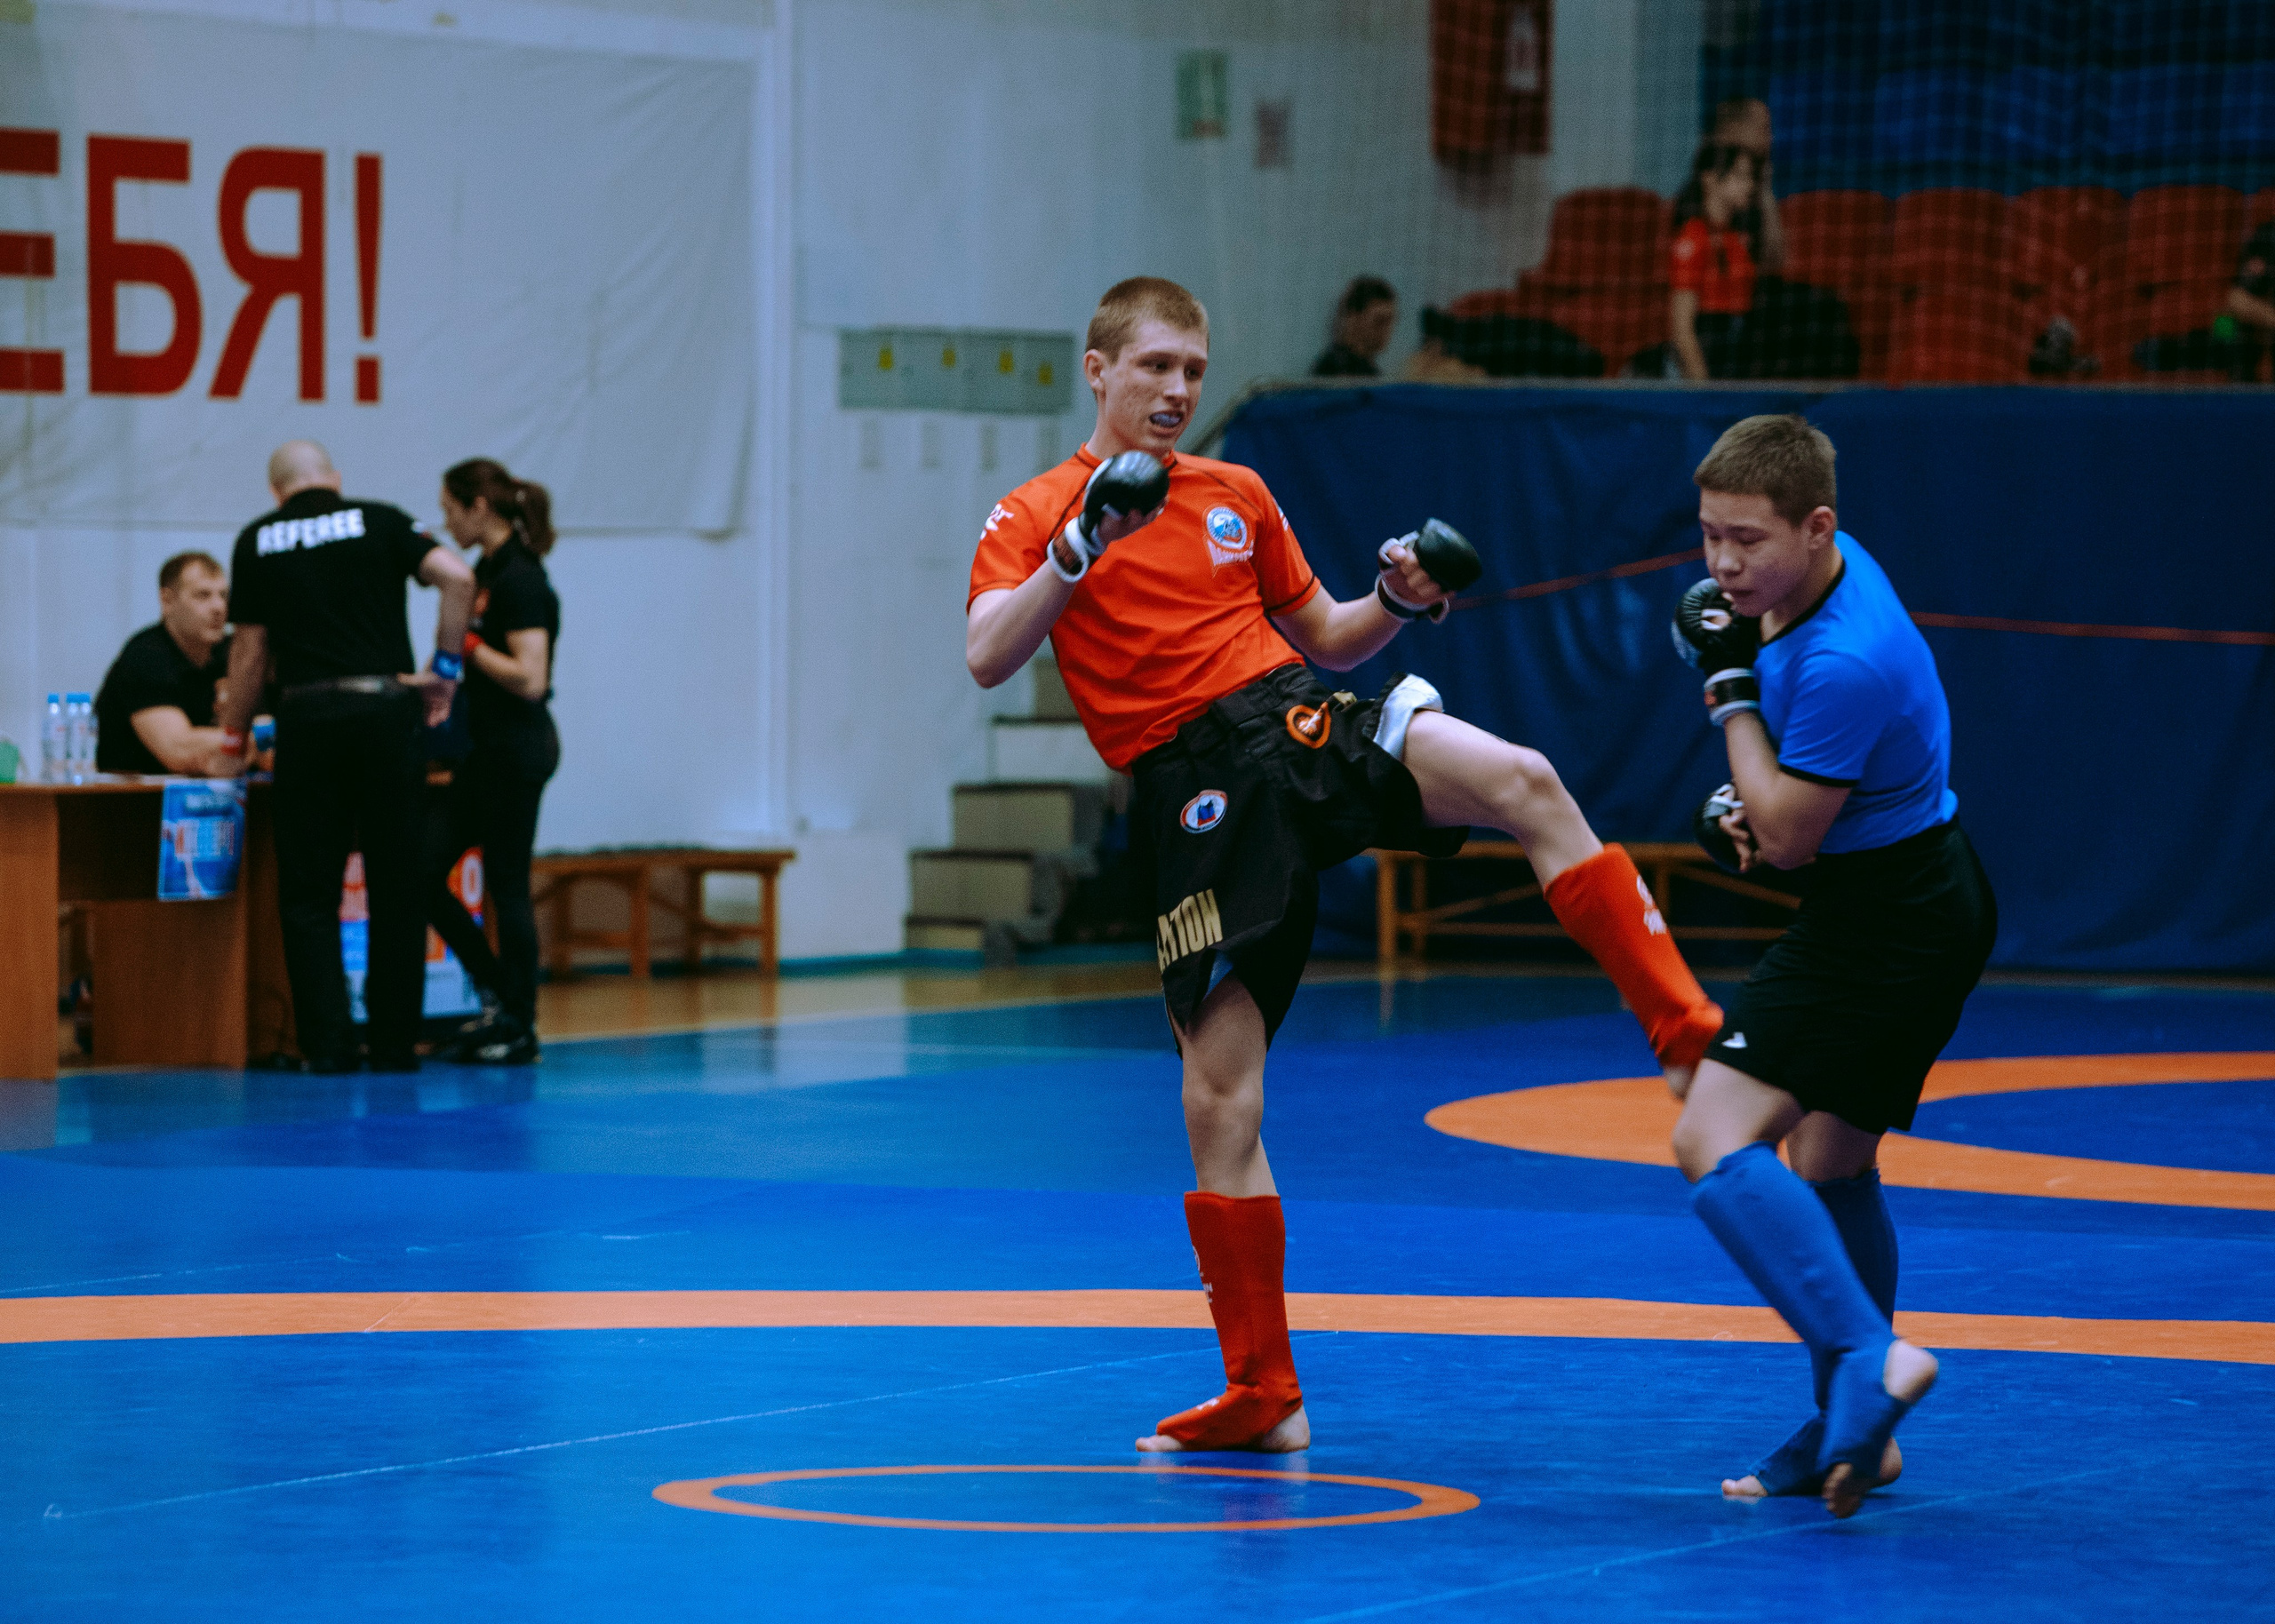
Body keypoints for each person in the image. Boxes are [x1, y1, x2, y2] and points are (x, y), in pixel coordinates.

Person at [967, 276, 1724, 1454]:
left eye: (1194, 373)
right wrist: (1079, 546)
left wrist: (1395, 599)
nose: (1176, 391)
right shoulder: (1036, 511)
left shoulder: (1238, 493)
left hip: (1291, 718)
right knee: (1219, 1097)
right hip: (1193, 790)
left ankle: (1687, 1038)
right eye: (1156, 367)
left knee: (1524, 779)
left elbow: (1322, 633)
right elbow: (985, 656)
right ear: (1098, 369)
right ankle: (1264, 1394)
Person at [1666, 414, 1997, 1518]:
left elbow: (1789, 835)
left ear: (1817, 527)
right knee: (1834, 1159)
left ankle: (1869, 1357)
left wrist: (1727, 693)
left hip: (1883, 917)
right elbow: (1782, 817)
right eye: (1709, 535)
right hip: (1920, 889)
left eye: (1747, 541)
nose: (1722, 565)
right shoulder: (1824, 577)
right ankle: (1855, 1434)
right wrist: (1754, 804)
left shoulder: (1843, 656)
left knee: (1712, 1136)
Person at [215, 441, 476, 1074]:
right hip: (385, 714)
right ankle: (393, 1047)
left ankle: (327, 1047)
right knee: (397, 885)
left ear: (278, 492)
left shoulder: (258, 539)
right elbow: (458, 577)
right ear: (334, 480)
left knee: (308, 892)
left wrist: (232, 738)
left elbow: (250, 654)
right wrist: (444, 670)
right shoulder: (380, 518)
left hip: (308, 719)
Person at [424, 458, 562, 1066]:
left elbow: (531, 678)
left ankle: (520, 1022)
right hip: (483, 752)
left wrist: (472, 647)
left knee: (507, 885)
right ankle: (499, 996)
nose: (448, 520)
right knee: (422, 874)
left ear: (479, 506)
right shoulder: (482, 572)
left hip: (516, 751)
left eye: (452, 508)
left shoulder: (522, 580)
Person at [93, 552, 241, 776]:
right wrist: (252, 740)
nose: (219, 607)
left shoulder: (231, 652)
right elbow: (179, 751)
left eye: (223, 595)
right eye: (203, 596)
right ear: (167, 601)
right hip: (130, 801)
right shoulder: (145, 655)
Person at [1664, 142, 1760, 380]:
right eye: (1739, 175)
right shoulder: (1693, 237)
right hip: (1711, 343)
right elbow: (1681, 327)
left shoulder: (1736, 236)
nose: (1749, 185)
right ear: (1709, 179)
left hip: (1739, 342)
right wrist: (1702, 385)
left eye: (1750, 177)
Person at [1708, 96, 1784, 275]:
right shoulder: (1713, 175)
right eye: (1763, 129)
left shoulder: (1761, 172)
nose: (1771, 138)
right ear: (1735, 129)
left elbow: (1775, 256)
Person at [1310, 276, 1398, 377]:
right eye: (1379, 321)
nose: (1387, 330)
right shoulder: (1336, 372)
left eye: (1391, 322)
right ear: (1353, 319)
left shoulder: (1369, 371)